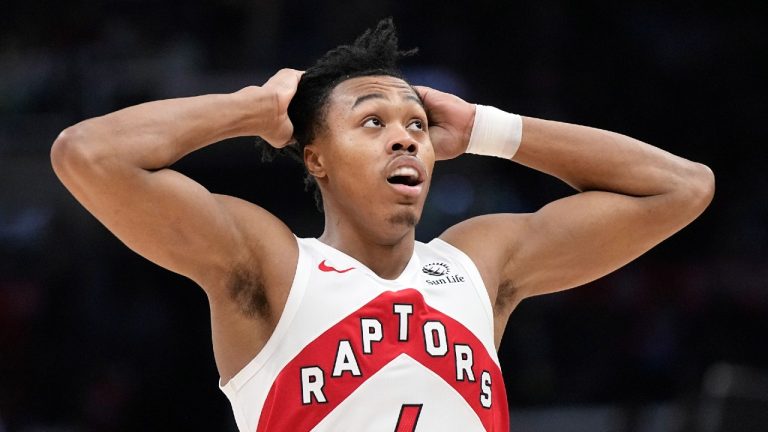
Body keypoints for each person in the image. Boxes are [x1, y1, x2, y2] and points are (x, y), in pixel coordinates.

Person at [50, 18, 714, 432]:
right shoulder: (274, 266)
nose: (404, 139)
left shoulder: (479, 264)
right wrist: (252, 108)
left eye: (416, 127)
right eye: (373, 122)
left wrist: (490, 128)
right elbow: (87, 155)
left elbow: (682, 188)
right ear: (316, 158)